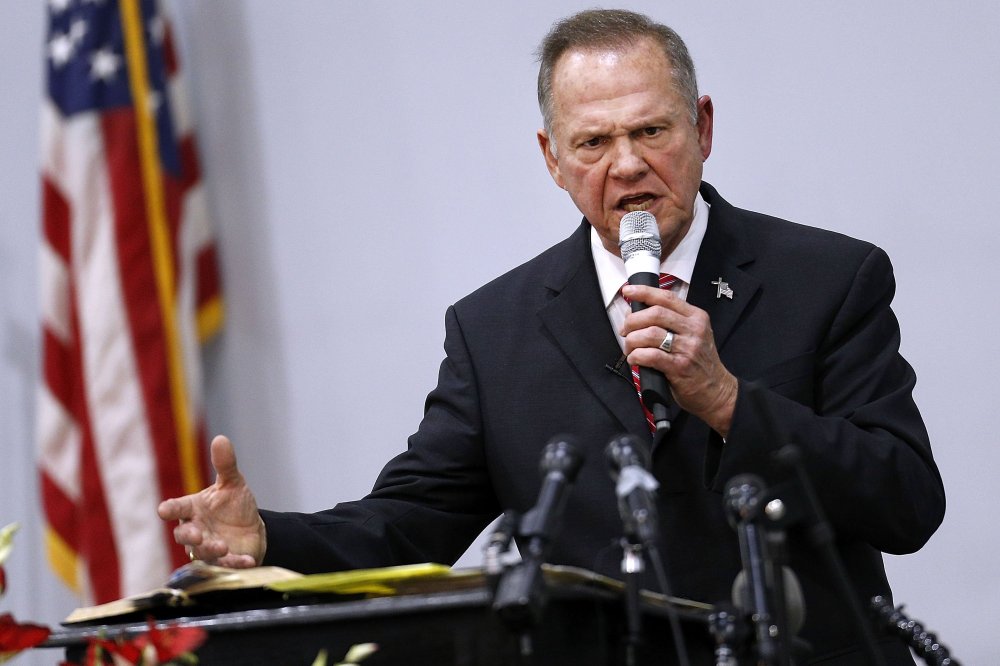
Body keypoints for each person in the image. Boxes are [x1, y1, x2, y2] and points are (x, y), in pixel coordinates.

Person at [159, 9, 945, 664]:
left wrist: (733, 403)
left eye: (651, 130)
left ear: (702, 127)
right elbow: (410, 521)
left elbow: (907, 502)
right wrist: (268, 538)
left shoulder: (829, 277)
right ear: (553, 159)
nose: (628, 165)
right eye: (593, 143)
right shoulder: (494, 327)